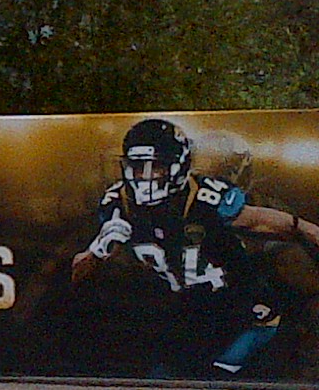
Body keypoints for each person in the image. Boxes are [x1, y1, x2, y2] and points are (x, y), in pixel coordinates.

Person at [71, 118, 319, 376]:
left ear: (179, 166)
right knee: (163, 382)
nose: (146, 176)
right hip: (183, 315)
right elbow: (78, 274)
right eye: (137, 167)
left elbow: (258, 220)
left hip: (239, 311)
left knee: (224, 378)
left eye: (156, 167)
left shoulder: (206, 197)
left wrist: (311, 230)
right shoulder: (118, 201)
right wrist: (98, 250)